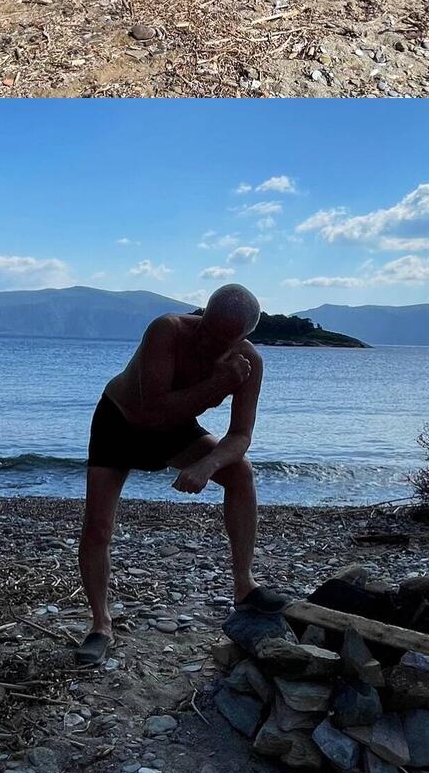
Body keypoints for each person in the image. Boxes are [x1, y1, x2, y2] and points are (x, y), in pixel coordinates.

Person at [75, 283, 287, 666]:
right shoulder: (167, 330)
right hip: (121, 422)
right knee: (98, 527)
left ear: (242, 338)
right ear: (201, 315)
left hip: (175, 430)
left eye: (224, 341)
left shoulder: (249, 362)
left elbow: (241, 435)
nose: (209, 344)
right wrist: (218, 384)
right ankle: (100, 625)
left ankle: (245, 585)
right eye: (207, 331)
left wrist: (207, 465)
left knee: (240, 472)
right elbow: (151, 412)